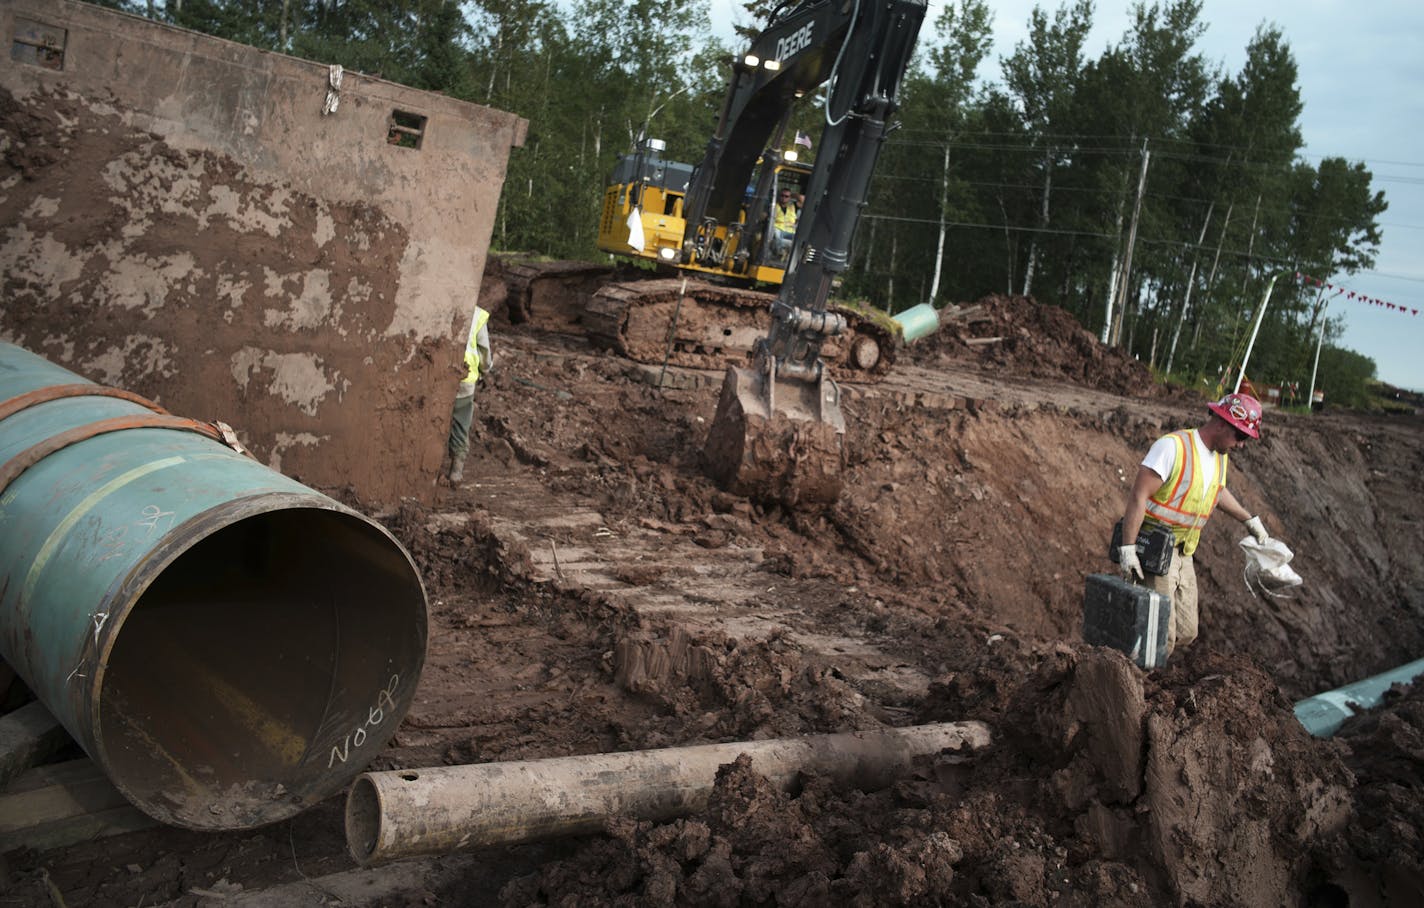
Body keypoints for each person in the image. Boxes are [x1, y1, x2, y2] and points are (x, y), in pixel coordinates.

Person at [1116, 391, 1282, 656]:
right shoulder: (1173, 447)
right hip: (1156, 549)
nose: (1241, 445)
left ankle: (1140, 658)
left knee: (1187, 630)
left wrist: (1249, 520)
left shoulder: (1219, 456)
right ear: (1221, 423)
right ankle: (1137, 682)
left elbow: (1217, 490)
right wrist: (1128, 549)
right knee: (1159, 637)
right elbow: (1139, 496)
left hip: (1185, 552)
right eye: (1240, 436)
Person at [447, 305, 492, 484]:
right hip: (465, 378)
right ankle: (456, 469)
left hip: (438, 375)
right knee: (461, 421)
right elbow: (484, 351)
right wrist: (485, 369)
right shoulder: (477, 314)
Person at [770, 188, 799, 258]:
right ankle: (779, 254)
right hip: (778, 229)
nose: (784, 198)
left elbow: (802, 199)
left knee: (799, 239)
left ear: (790, 197)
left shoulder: (792, 206)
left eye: (786, 196)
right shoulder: (774, 206)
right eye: (782, 195)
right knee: (776, 235)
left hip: (790, 232)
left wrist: (794, 195)